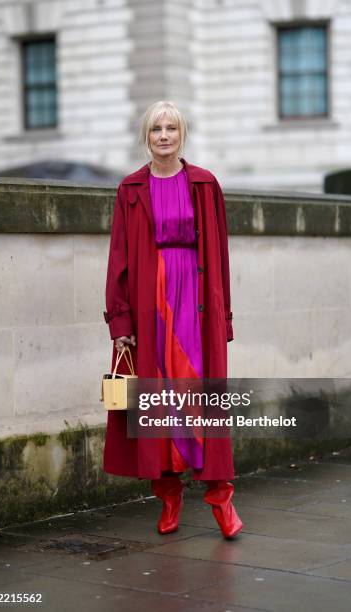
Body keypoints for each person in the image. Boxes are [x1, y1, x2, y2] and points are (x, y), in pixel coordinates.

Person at [103, 100, 243, 539]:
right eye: (155, 129)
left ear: (182, 135)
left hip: (196, 306)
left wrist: (223, 316)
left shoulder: (204, 183)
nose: (164, 136)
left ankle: (221, 499)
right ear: (146, 137)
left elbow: (219, 254)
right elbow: (118, 259)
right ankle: (168, 497)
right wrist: (120, 321)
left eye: (171, 128)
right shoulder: (130, 190)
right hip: (150, 307)